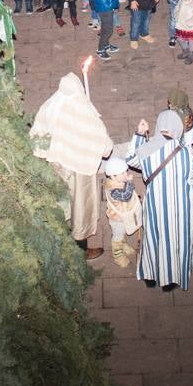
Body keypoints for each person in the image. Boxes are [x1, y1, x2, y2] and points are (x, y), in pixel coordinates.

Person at [29, 73, 113, 260]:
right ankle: (81, 250)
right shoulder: (85, 110)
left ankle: (61, 243)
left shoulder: (50, 105)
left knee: (62, 205)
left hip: (56, 167)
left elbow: (36, 139)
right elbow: (105, 146)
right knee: (80, 209)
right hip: (79, 170)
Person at [128, 109, 193, 291]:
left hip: (155, 207)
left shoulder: (146, 151)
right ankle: (170, 280)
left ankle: (150, 274)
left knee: (153, 239)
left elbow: (130, 159)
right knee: (176, 242)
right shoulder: (188, 154)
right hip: (182, 211)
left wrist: (140, 134)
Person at [101, 156, 142, 269]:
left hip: (124, 216)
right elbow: (125, 196)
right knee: (118, 235)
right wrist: (129, 183)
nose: (126, 174)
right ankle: (117, 255)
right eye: (122, 173)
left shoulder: (119, 181)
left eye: (126, 171)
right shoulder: (113, 189)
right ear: (113, 176)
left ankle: (123, 245)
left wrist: (125, 180)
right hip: (117, 219)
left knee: (123, 231)